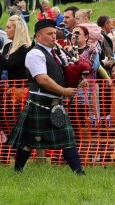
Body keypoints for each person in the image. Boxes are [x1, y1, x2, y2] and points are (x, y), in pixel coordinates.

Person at [7, 19, 85, 175]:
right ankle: (17, 171)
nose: (53, 37)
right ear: (38, 36)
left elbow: (63, 73)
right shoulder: (34, 53)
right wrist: (64, 91)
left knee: (68, 140)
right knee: (29, 141)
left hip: (56, 104)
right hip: (40, 103)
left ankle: (80, 174)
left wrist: (77, 81)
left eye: (54, 33)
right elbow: (42, 79)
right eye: (49, 34)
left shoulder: (58, 53)